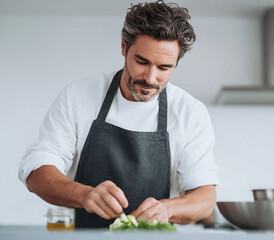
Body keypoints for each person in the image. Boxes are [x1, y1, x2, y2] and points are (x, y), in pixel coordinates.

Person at [19, 0, 219, 228]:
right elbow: (37, 171)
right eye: (142, 61)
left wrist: (167, 209)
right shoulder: (79, 96)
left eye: (164, 68)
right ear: (124, 48)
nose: (150, 78)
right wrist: (85, 195)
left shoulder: (189, 112)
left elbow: (204, 200)